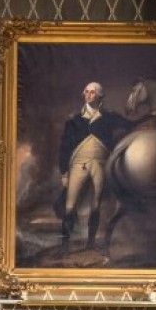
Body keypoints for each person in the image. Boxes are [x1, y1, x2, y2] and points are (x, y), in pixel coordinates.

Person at [56, 81, 137, 249]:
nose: (88, 94)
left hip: (100, 164)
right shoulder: (74, 120)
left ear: (99, 95)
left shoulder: (109, 117)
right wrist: (64, 173)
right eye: (86, 91)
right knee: (69, 205)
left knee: (96, 204)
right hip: (78, 164)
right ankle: (64, 245)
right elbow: (64, 147)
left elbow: (131, 125)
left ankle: (91, 243)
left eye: (92, 92)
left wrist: (152, 116)